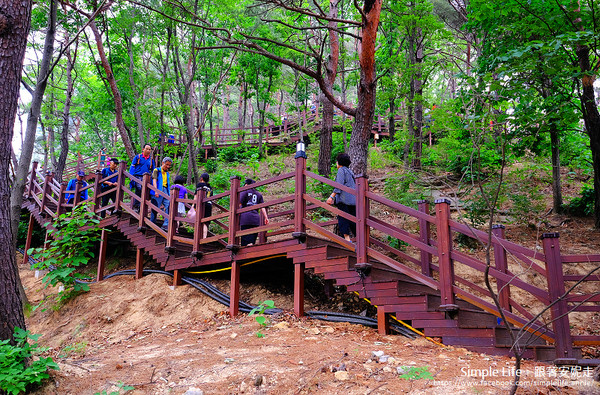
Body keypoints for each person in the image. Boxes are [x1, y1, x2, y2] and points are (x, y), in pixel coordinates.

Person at [326, 153, 356, 242]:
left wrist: (331, 197)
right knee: (353, 220)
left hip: (344, 199)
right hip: (353, 200)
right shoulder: (350, 172)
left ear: (339, 162)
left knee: (343, 218)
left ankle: (347, 239)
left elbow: (339, 185)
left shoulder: (341, 170)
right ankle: (359, 240)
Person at [239, 178, 269, 246]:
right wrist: (266, 217)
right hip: (255, 218)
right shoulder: (258, 194)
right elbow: (262, 206)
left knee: (245, 238)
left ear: (246, 184)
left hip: (245, 218)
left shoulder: (244, 191)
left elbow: (239, 203)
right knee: (252, 238)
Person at [129, 144, 155, 211]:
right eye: (147, 149)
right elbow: (132, 166)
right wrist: (131, 176)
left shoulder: (151, 160)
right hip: (137, 176)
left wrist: (154, 180)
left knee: (145, 192)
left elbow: (153, 170)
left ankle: (141, 207)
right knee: (139, 189)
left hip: (147, 178)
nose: (148, 150)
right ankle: (136, 206)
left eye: (149, 149)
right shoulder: (138, 157)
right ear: (143, 149)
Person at [150, 157, 172, 230]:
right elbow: (154, 180)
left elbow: (167, 184)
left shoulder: (167, 173)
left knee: (169, 206)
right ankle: (152, 224)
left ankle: (166, 224)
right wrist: (156, 191)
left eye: (169, 165)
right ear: (163, 163)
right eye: (167, 165)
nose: (168, 166)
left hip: (165, 190)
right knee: (155, 207)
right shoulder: (157, 170)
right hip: (158, 190)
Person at [196, 173, 213, 238]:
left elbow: (196, 195)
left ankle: (198, 237)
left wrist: (193, 205)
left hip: (202, 204)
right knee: (205, 222)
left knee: (199, 220)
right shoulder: (210, 187)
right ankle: (204, 237)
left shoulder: (200, 185)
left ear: (201, 178)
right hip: (209, 204)